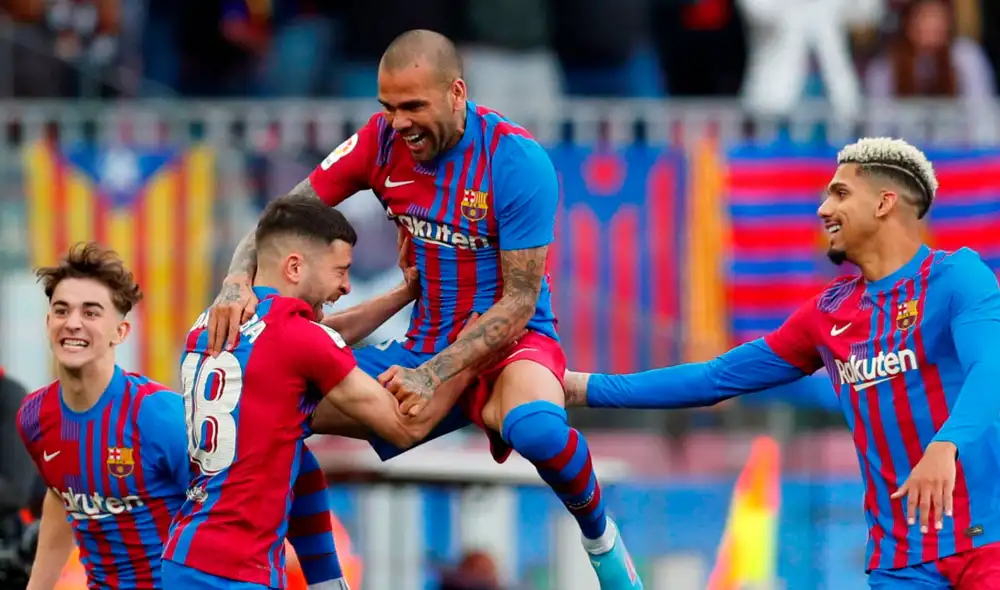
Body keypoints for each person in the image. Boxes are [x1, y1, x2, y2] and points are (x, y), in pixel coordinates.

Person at [205, 29, 640, 590]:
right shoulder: (379, 142)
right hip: (425, 341)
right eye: (388, 108)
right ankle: (324, 581)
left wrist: (434, 372)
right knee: (275, 407)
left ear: (456, 93)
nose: (399, 122)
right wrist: (237, 280)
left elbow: (519, 299)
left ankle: (602, 541)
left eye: (413, 106)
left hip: (514, 343)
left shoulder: (515, 160)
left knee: (536, 429)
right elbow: (284, 216)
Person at [563, 137, 1000, 589]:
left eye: (840, 193)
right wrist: (584, 387)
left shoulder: (957, 278)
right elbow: (714, 378)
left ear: (885, 203)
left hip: (988, 541)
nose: (823, 209)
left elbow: (991, 370)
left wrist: (945, 444)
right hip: (901, 559)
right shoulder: (827, 315)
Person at [162, 195, 479, 589]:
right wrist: (474, 353)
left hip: (183, 557)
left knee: (302, 459)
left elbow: (323, 340)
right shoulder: (297, 339)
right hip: (237, 570)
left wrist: (403, 294)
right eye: (340, 272)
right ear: (295, 266)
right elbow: (404, 427)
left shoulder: (211, 322)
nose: (347, 286)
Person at [14, 242, 348, 590]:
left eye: (91, 312)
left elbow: (294, 467)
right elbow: (62, 490)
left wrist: (325, 578)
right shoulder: (35, 417)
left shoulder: (159, 417)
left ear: (120, 331)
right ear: (48, 321)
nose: (73, 324)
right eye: (62, 310)